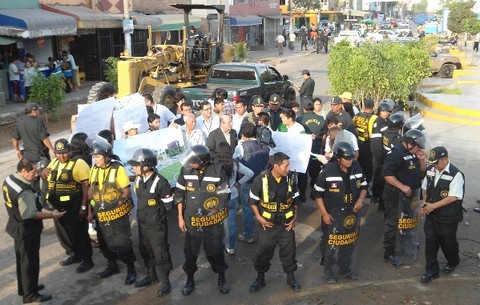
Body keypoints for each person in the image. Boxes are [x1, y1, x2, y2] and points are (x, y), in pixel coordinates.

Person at [3, 159, 66, 303]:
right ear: (23, 171)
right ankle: (30, 295)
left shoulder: (10, 179)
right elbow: (30, 214)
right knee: (29, 262)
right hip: (26, 230)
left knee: (23, 261)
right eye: (33, 172)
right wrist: (52, 215)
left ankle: (26, 287)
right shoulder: (23, 190)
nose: (36, 175)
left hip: (16, 226)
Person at [175, 144, 231, 295]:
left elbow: (225, 195)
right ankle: (190, 278)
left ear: (202, 162)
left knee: (215, 251)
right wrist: (180, 217)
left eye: (192, 161)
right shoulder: (186, 169)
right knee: (190, 253)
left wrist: (216, 210)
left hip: (212, 222)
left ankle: (221, 277)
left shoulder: (218, 170)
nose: (189, 164)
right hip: (191, 220)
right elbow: (179, 194)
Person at [248, 152, 302, 293]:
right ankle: (260, 278)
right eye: (286, 166)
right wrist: (259, 218)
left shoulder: (290, 179)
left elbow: (296, 200)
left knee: (289, 253)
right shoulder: (261, 180)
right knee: (263, 253)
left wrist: (295, 216)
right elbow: (252, 201)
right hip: (268, 226)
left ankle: (291, 278)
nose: (288, 168)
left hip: (286, 225)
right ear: (276, 166)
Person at [314, 142, 367, 283]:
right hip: (332, 215)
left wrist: (361, 200)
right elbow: (318, 195)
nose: (350, 161)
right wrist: (325, 213)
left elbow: (364, 187)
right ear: (338, 158)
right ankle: (329, 271)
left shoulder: (357, 167)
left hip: (351, 214)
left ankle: (345, 268)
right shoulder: (327, 171)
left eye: (351, 158)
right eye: (347, 158)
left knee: (348, 243)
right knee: (331, 244)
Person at [88, 137, 137, 285]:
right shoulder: (94, 169)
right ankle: (112, 265)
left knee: (122, 242)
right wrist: (90, 210)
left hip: (117, 214)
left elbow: (126, 191)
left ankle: (131, 269)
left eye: (97, 156)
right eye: (94, 156)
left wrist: (118, 206)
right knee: (103, 242)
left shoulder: (117, 169)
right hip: (100, 214)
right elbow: (91, 190)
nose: (95, 159)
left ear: (106, 155)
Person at [42, 138, 94, 273]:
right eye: (58, 153)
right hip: (57, 205)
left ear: (70, 150)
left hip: (74, 204)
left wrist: (84, 207)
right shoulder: (54, 162)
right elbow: (47, 177)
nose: (61, 156)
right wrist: (43, 173)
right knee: (63, 233)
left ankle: (87, 259)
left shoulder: (79, 163)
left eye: (64, 153)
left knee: (79, 232)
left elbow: (86, 187)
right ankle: (73, 254)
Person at [128, 149, 174, 295]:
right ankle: (151, 276)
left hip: (156, 226)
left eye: (136, 165)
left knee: (160, 253)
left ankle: (166, 282)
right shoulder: (138, 179)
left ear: (146, 166)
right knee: (145, 250)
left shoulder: (161, 182)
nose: (133, 168)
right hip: (143, 224)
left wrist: (156, 217)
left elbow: (168, 206)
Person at [419, 147, 465, 283]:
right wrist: (425, 204)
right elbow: (427, 188)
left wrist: (432, 206)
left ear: (445, 160)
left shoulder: (456, 174)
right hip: (432, 215)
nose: (433, 165)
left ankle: (453, 261)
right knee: (430, 243)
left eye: (436, 163)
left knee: (448, 243)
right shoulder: (431, 170)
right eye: (431, 162)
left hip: (448, 217)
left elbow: (453, 197)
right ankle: (431, 271)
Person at [382, 129, 426, 267]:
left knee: (407, 221)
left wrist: (422, 160)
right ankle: (389, 252)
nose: (419, 149)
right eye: (418, 146)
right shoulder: (396, 154)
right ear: (410, 143)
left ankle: (406, 243)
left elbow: (422, 171)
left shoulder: (413, 154)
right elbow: (387, 174)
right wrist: (401, 186)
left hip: (410, 198)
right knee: (393, 223)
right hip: (395, 197)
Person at [214, 142, 254, 255]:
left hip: (218, 198)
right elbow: (250, 173)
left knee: (217, 224)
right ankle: (231, 247)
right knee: (231, 224)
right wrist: (238, 183)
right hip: (233, 196)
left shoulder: (214, 165)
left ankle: (218, 245)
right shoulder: (234, 163)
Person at [370, 101, 393, 211]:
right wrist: (379, 159)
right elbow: (375, 144)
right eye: (383, 111)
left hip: (386, 155)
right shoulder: (377, 123)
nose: (385, 113)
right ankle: (376, 197)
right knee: (378, 177)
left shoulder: (388, 122)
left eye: (387, 111)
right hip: (379, 156)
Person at [353, 98, 376, 191]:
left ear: (363, 106)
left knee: (359, 165)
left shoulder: (357, 115)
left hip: (358, 144)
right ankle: (366, 188)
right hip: (368, 145)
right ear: (373, 107)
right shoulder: (373, 118)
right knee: (368, 168)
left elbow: (353, 127)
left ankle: (357, 184)